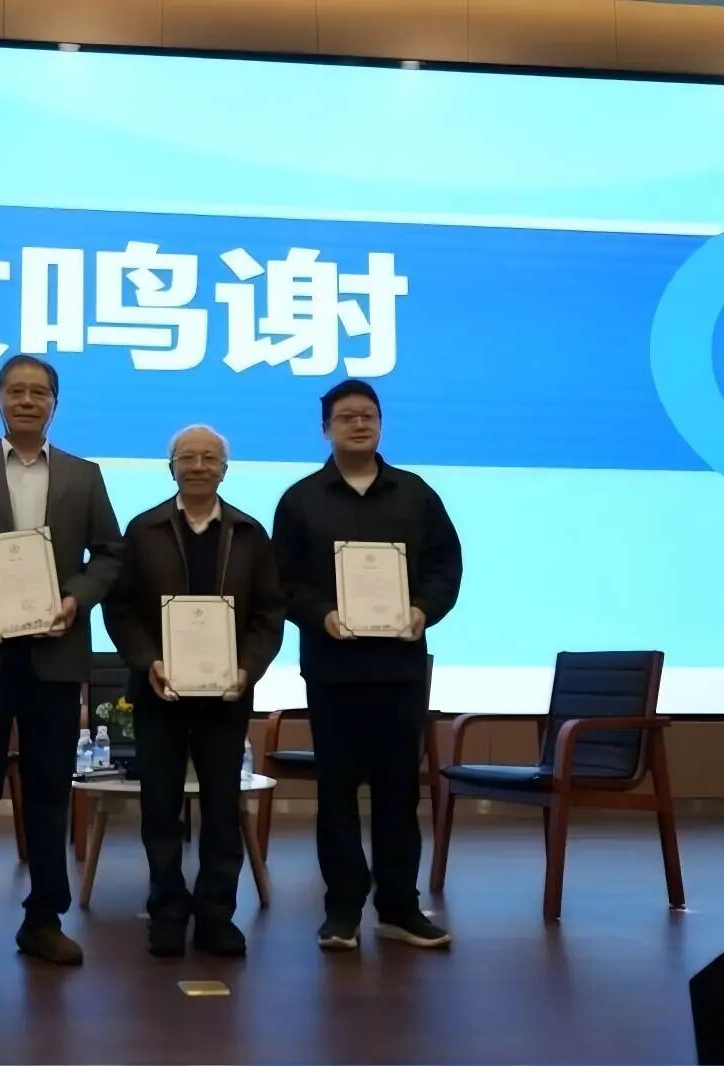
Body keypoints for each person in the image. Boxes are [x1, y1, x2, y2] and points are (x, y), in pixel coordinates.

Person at [0, 354, 122, 969]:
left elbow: (109, 554)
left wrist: (75, 600)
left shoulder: (84, 475)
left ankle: (44, 920)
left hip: (55, 655)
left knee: (48, 793)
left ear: (55, 403)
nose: (28, 401)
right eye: (16, 391)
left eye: (39, 392)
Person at [271, 380, 463, 951]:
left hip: (399, 668)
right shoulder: (301, 500)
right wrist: (322, 615)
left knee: (399, 792)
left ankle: (399, 907)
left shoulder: (416, 495)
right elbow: (283, 580)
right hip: (333, 669)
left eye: (369, 416)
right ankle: (342, 910)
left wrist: (423, 609)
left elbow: (445, 567)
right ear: (325, 429)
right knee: (336, 794)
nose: (360, 424)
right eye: (347, 417)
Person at [104, 425, 285, 958]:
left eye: (210, 458)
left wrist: (248, 669)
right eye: (188, 457)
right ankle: (166, 911)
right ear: (172, 468)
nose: (199, 466)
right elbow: (120, 609)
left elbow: (269, 614)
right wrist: (149, 661)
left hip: (228, 696)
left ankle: (216, 915)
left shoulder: (249, 533)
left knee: (223, 806)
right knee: (160, 807)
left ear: (225, 470)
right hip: (158, 692)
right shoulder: (143, 530)